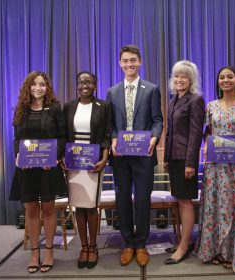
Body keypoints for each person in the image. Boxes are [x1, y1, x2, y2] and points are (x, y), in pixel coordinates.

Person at [195, 66, 235, 274]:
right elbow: (208, 132)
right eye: (222, 77)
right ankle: (216, 250)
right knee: (214, 205)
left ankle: (234, 253)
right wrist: (206, 146)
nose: (225, 80)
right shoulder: (211, 106)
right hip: (215, 164)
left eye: (230, 77)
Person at [106, 44, 163, 267]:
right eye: (125, 61)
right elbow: (109, 124)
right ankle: (127, 243)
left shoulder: (151, 89)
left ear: (140, 62)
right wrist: (112, 139)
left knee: (141, 200)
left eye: (133, 60)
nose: (129, 64)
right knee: (122, 201)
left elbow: (158, 120)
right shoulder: (112, 92)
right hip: (120, 155)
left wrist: (154, 138)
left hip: (144, 155)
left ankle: (141, 244)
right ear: (120, 64)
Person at [9, 71, 67, 273]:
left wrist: (54, 156)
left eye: (42, 84)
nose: (38, 88)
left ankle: (49, 251)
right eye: (34, 85)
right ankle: (35, 252)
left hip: (48, 168)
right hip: (26, 169)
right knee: (31, 210)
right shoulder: (21, 110)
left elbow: (62, 137)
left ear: (47, 87)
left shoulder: (55, 108)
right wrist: (18, 155)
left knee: (49, 210)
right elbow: (16, 138)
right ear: (28, 87)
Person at [63, 71, 111, 269]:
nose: (85, 85)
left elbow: (107, 134)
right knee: (78, 205)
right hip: (73, 163)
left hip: (93, 163)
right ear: (76, 85)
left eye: (89, 82)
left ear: (95, 85)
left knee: (91, 206)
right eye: (81, 82)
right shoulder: (68, 107)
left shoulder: (104, 106)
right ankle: (83, 247)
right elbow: (63, 134)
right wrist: (61, 158)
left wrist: (105, 158)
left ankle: (93, 246)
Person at [163, 60, 205, 265]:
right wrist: (166, 158)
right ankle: (184, 241)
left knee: (186, 201)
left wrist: (191, 163)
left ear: (191, 80)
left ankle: (184, 245)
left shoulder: (195, 100)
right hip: (174, 157)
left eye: (184, 76)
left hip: (186, 160)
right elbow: (169, 132)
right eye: (177, 76)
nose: (180, 80)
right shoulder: (173, 100)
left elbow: (195, 134)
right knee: (180, 200)